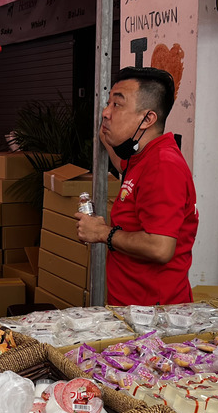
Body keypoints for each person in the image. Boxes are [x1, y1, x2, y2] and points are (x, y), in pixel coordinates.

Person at [75, 66, 198, 306]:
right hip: (134, 310)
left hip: (153, 318)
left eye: (117, 105)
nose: (105, 113)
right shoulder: (145, 156)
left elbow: (160, 247)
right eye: (108, 104)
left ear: (148, 118)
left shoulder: (163, 165)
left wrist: (101, 233)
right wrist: (107, 140)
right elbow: (126, 168)